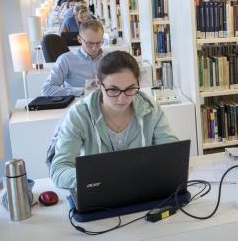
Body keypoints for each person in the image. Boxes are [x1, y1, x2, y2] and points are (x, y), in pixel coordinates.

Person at [49, 51, 177, 189]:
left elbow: (173, 154)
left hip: (140, 190)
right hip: (98, 193)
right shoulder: (79, 115)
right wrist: (94, 180)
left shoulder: (151, 109)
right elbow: (59, 169)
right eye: (113, 90)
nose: (122, 98)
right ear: (98, 83)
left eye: (130, 89)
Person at [42, 20, 105, 96]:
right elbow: (47, 89)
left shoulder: (109, 57)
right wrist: (83, 91)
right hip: (78, 103)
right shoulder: (66, 59)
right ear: (79, 39)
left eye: (98, 43)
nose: (94, 47)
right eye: (89, 43)